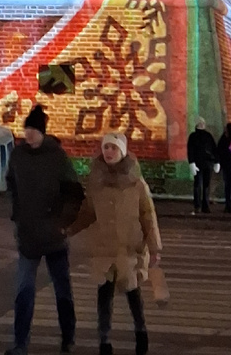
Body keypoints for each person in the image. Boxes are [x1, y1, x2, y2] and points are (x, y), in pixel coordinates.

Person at [68, 131, 161, 355]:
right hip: (104, 249)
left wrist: (155, 247)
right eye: (106, 147)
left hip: (129, 248)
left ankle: (141, 332)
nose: (109, 152)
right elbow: (88, 212)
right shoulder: (96, 182)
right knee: (104, 296)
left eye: (114, 148)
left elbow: (148, 215)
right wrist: (70, 229)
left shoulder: (136, 184)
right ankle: (104, 341)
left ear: (123, 151)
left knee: (133, 293)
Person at [4, 105, 83, 355]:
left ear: (42, 132)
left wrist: (64, 223)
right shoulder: (18, 156)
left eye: (33, 130)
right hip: (28, 235)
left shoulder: (57, 157)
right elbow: (12, 186)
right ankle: (20, 344)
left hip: (54, 237)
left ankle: (68, 337)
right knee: (24, 291)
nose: (28, 134)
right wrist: (17, 216)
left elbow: (74, 193)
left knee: (62, 291)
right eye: (26, 129)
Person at [186, 117, 218, 214]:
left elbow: (214, 149)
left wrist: (217, 161)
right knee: (200, 185)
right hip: (202, 164)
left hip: (205, 163)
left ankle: (202, 205)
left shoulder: (200, 136)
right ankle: (200, 205)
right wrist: (191, 162)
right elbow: (190, 150)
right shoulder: (204, 136)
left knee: (203, 185)